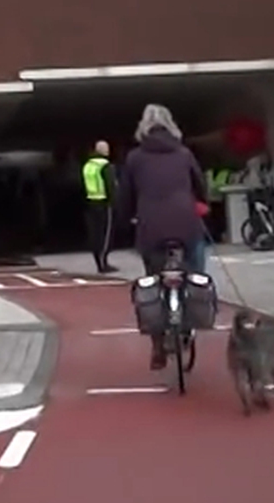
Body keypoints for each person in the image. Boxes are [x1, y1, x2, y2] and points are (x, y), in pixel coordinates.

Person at [115, 105, 210, 371]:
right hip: (186, 222)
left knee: (155, 281)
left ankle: (157, 344)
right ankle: (192, 318)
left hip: (151, 227)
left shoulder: (135, 158)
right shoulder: (183, 153)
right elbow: (200, 185)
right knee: (194, 268)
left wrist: (127, 220)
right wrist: (201, 203)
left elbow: (126, 195)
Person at [81, 141, 117, 275]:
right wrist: (115, 202)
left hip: (91, 201)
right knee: (106, 235)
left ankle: (98, 260)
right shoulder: (105, 166)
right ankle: (103, 263)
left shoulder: (88, 165)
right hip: (104, 203)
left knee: (95, 234)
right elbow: (111, 185)